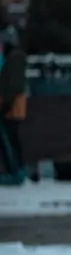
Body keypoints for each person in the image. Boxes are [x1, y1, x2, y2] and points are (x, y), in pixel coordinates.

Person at [0, 26, 28, 186]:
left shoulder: (15, 59)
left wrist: (6, 105)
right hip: (11, 106)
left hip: (12, 108)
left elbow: (13, 85)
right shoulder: (12, 58)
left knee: (11, 141)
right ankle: (15, 171)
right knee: (10, 141)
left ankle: (16, 173)